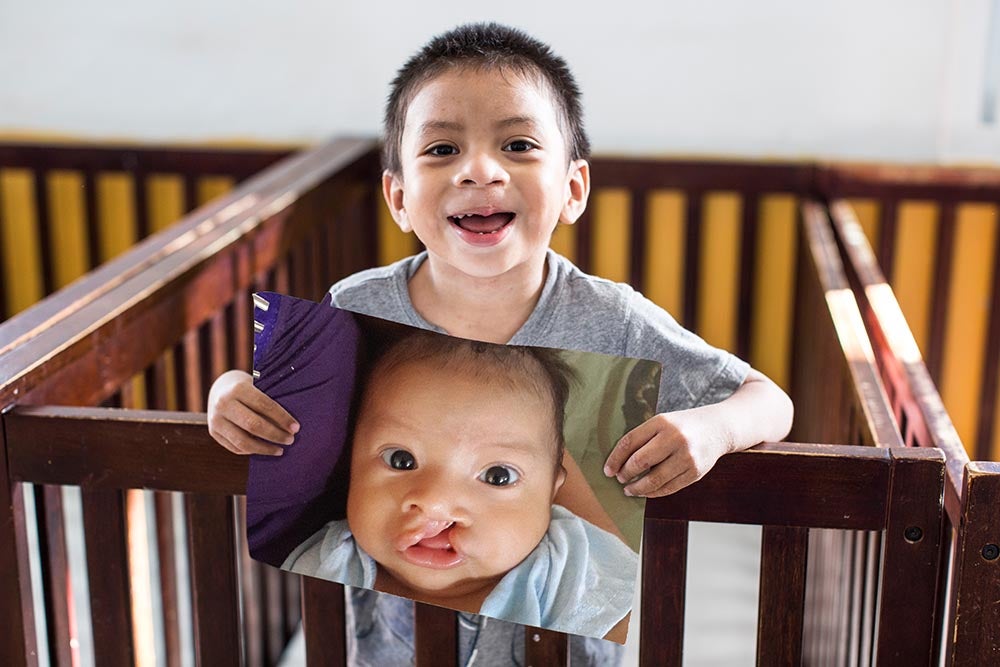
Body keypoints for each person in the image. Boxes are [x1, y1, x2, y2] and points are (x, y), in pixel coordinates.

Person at [208, 21, 794, 665]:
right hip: (386, 647)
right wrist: (231, 389)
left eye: (517, 144)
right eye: (440, 150)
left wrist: (712, 430)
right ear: (399, 197)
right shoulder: (356, 308)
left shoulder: (612, 319)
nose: (479, 171)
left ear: (573, 189)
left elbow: (768, 401)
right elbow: (289, 415)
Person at [281, 331, 638, 642]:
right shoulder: (332, 561)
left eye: (498, 475)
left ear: (553, 491)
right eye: (401, 460)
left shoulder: (567, 569)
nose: (436, 504)